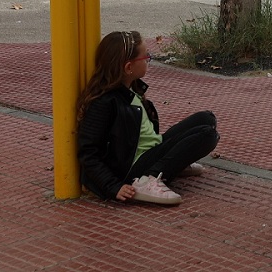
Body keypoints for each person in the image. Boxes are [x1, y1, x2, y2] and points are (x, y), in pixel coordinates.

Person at [77, 30, 219, 206]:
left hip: (151, 149)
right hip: (134, 167)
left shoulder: (130, 89)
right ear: (128, 67)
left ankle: (172, 164)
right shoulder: (104, 103)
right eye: (146, 57)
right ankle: (147, 180)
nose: (148, 59)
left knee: (206, 119)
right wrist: (113, 186)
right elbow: (88, 153)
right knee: (207, 135)